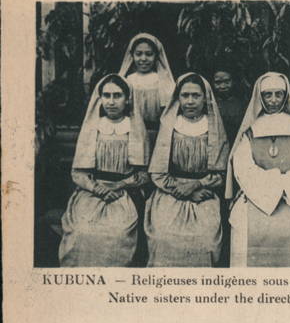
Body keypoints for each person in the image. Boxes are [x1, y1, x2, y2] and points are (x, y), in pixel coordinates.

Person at [226, 71, 290, 267]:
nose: (273, 100)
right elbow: (243, 167)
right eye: (267, 95)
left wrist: (283, 188)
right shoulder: (250, 129)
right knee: (242, 228)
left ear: (286, 95)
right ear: (259, 97)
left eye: (279, 94)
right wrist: (274, 187)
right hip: (256, 197)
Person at [59, 74, 149, 267]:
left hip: (126, 193)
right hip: (92, 191)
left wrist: (122, 184)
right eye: (106, 96)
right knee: (82, 232)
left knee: (117, 234)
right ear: (100, 99)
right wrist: (97, 188)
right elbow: (78, 173)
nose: (111, 101)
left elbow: (144, 175)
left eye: (117, 96)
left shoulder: (136, 129)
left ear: (127, 99)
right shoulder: (92, 128)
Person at [145, 72, 229, 266]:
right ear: (178, 97)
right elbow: (157, 171)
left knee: (205, 239)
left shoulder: (214, 126)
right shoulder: (169, 126)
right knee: (163, 237)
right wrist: (184, 190)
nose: (190, 101)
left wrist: (195, 186)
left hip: (205, 192)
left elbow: (221, 172)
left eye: (196, 96)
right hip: (170, 192)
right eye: (185, 95)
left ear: (205, 97)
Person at [119, 33, 175, 129]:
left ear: (156, 56)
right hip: (133, 131)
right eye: (138, 54)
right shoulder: (128, 80)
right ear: (132, 55)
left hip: (156, 131)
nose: (143, 59)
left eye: (149, 54)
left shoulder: (163, 81)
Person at [211, 66, 247, 147]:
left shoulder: (242, 104)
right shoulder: (210, 104)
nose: (223, 86)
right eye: (218, 83)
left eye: (227, 82)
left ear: (233, 81)